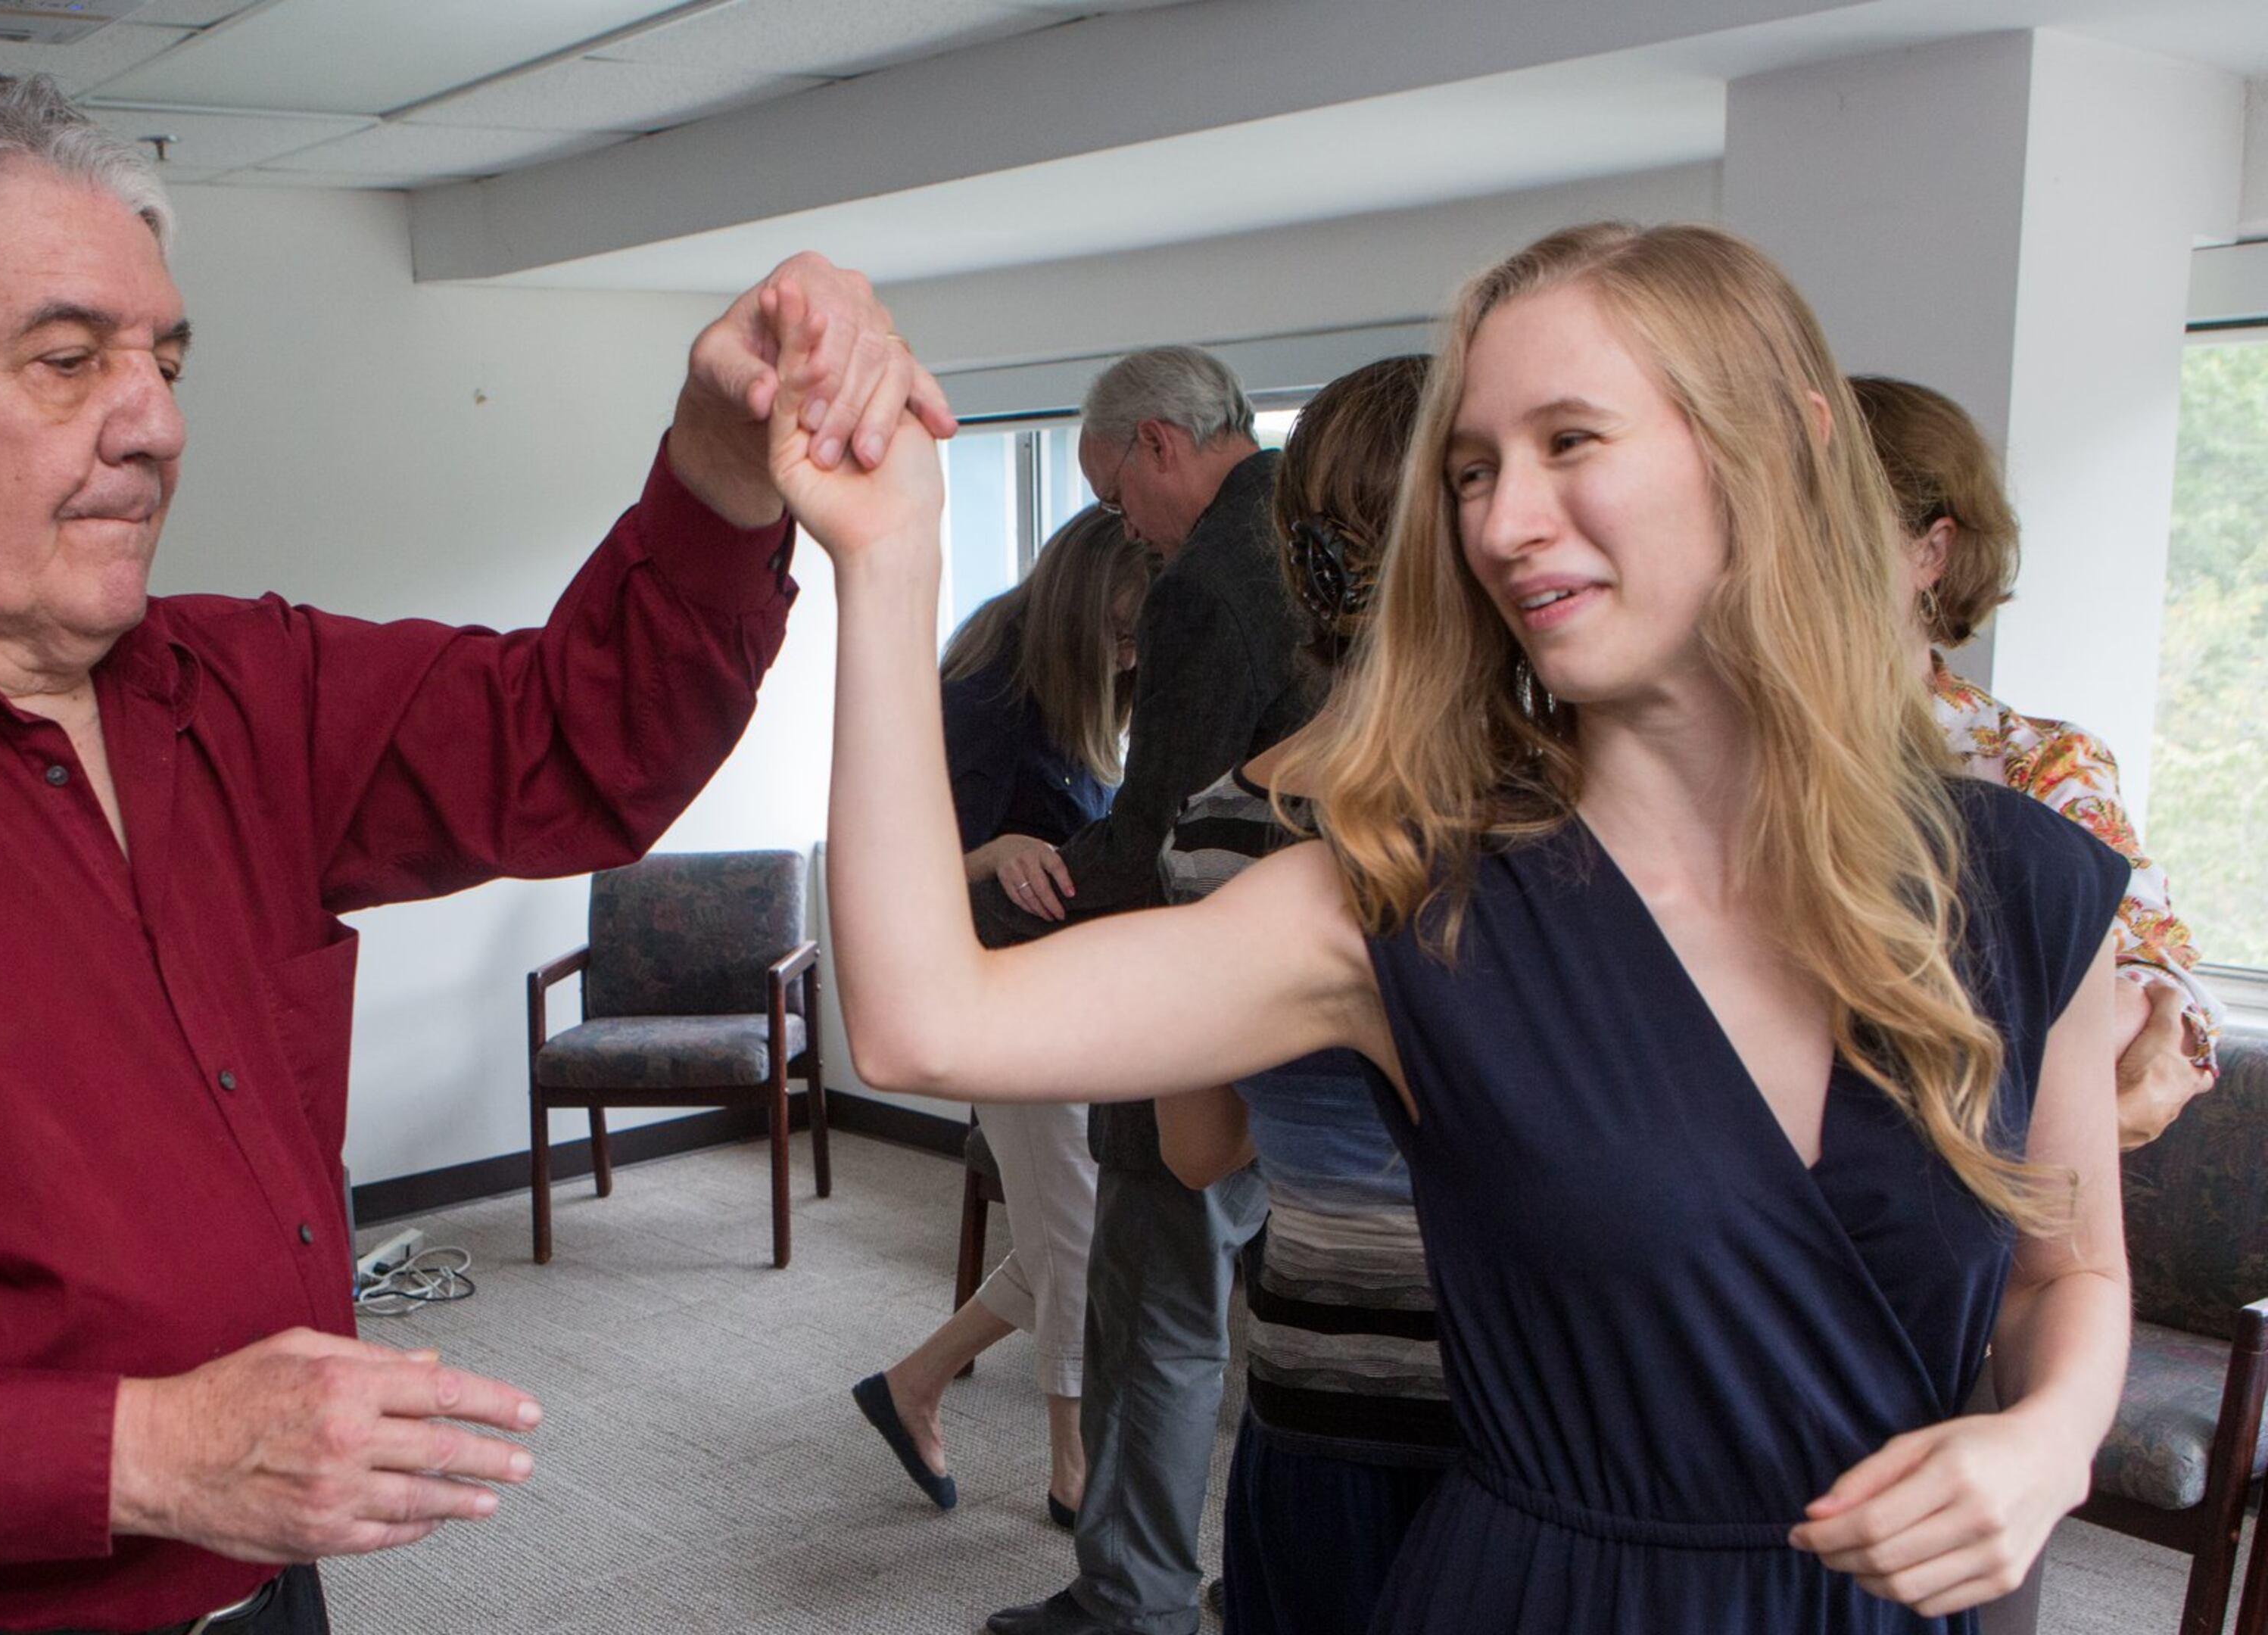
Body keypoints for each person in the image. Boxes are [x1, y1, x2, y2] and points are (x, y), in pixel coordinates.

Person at [0, 54, 946, 1635]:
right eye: (68, 360)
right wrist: (141, 1454)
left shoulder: (239, 688)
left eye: (164, 358)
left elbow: (583, 745)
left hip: (265, 1592)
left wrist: (716, 461)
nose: (155, 424)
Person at [782, 221, 2130, 1633]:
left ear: (1780, 449)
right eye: (1476, 470)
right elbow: (927, 1020)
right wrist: (887, 564)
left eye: (1572, 442)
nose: (1502, 520)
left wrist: (2052, 1438)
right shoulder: (1403, 900)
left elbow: (2072, 1272)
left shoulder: (2025, 888)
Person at [974, 346, 1316, 1635]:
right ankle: (1252, 1575)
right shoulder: (1323, 533)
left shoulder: (1212, 579)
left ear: (1162, 446)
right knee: (1287, 1327)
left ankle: (1131, 1601)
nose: (1126, 530)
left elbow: (1158, 826)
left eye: (1118, 499)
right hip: (1329, 999)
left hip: (1203, 994)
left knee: (1160, 1316)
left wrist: (1004, 918)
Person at [1149, 353, 1449, 1635]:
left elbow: (1199, 1146)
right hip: (1524, 1416)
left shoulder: (1218, 829)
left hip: (1313, 1404)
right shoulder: (1564, 822)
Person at [852, 506, 1149, 1526]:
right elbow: (907, 853)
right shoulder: (986, 690)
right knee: (1078, 1235)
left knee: (1074, 1228)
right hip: (1001, 993)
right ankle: (1072, 1467)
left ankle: (913, 1385)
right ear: (1074, 608)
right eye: (1117, 630)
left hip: (1069, 987)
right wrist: (992, 852)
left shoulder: (1086, 688)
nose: (1129, 653)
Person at [1849, 375, 2220, 1149]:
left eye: (1832, 525)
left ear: (1932, 551)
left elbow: (2159, 999)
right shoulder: (1691, 749)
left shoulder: (2037, 763)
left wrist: (2087, 1111)